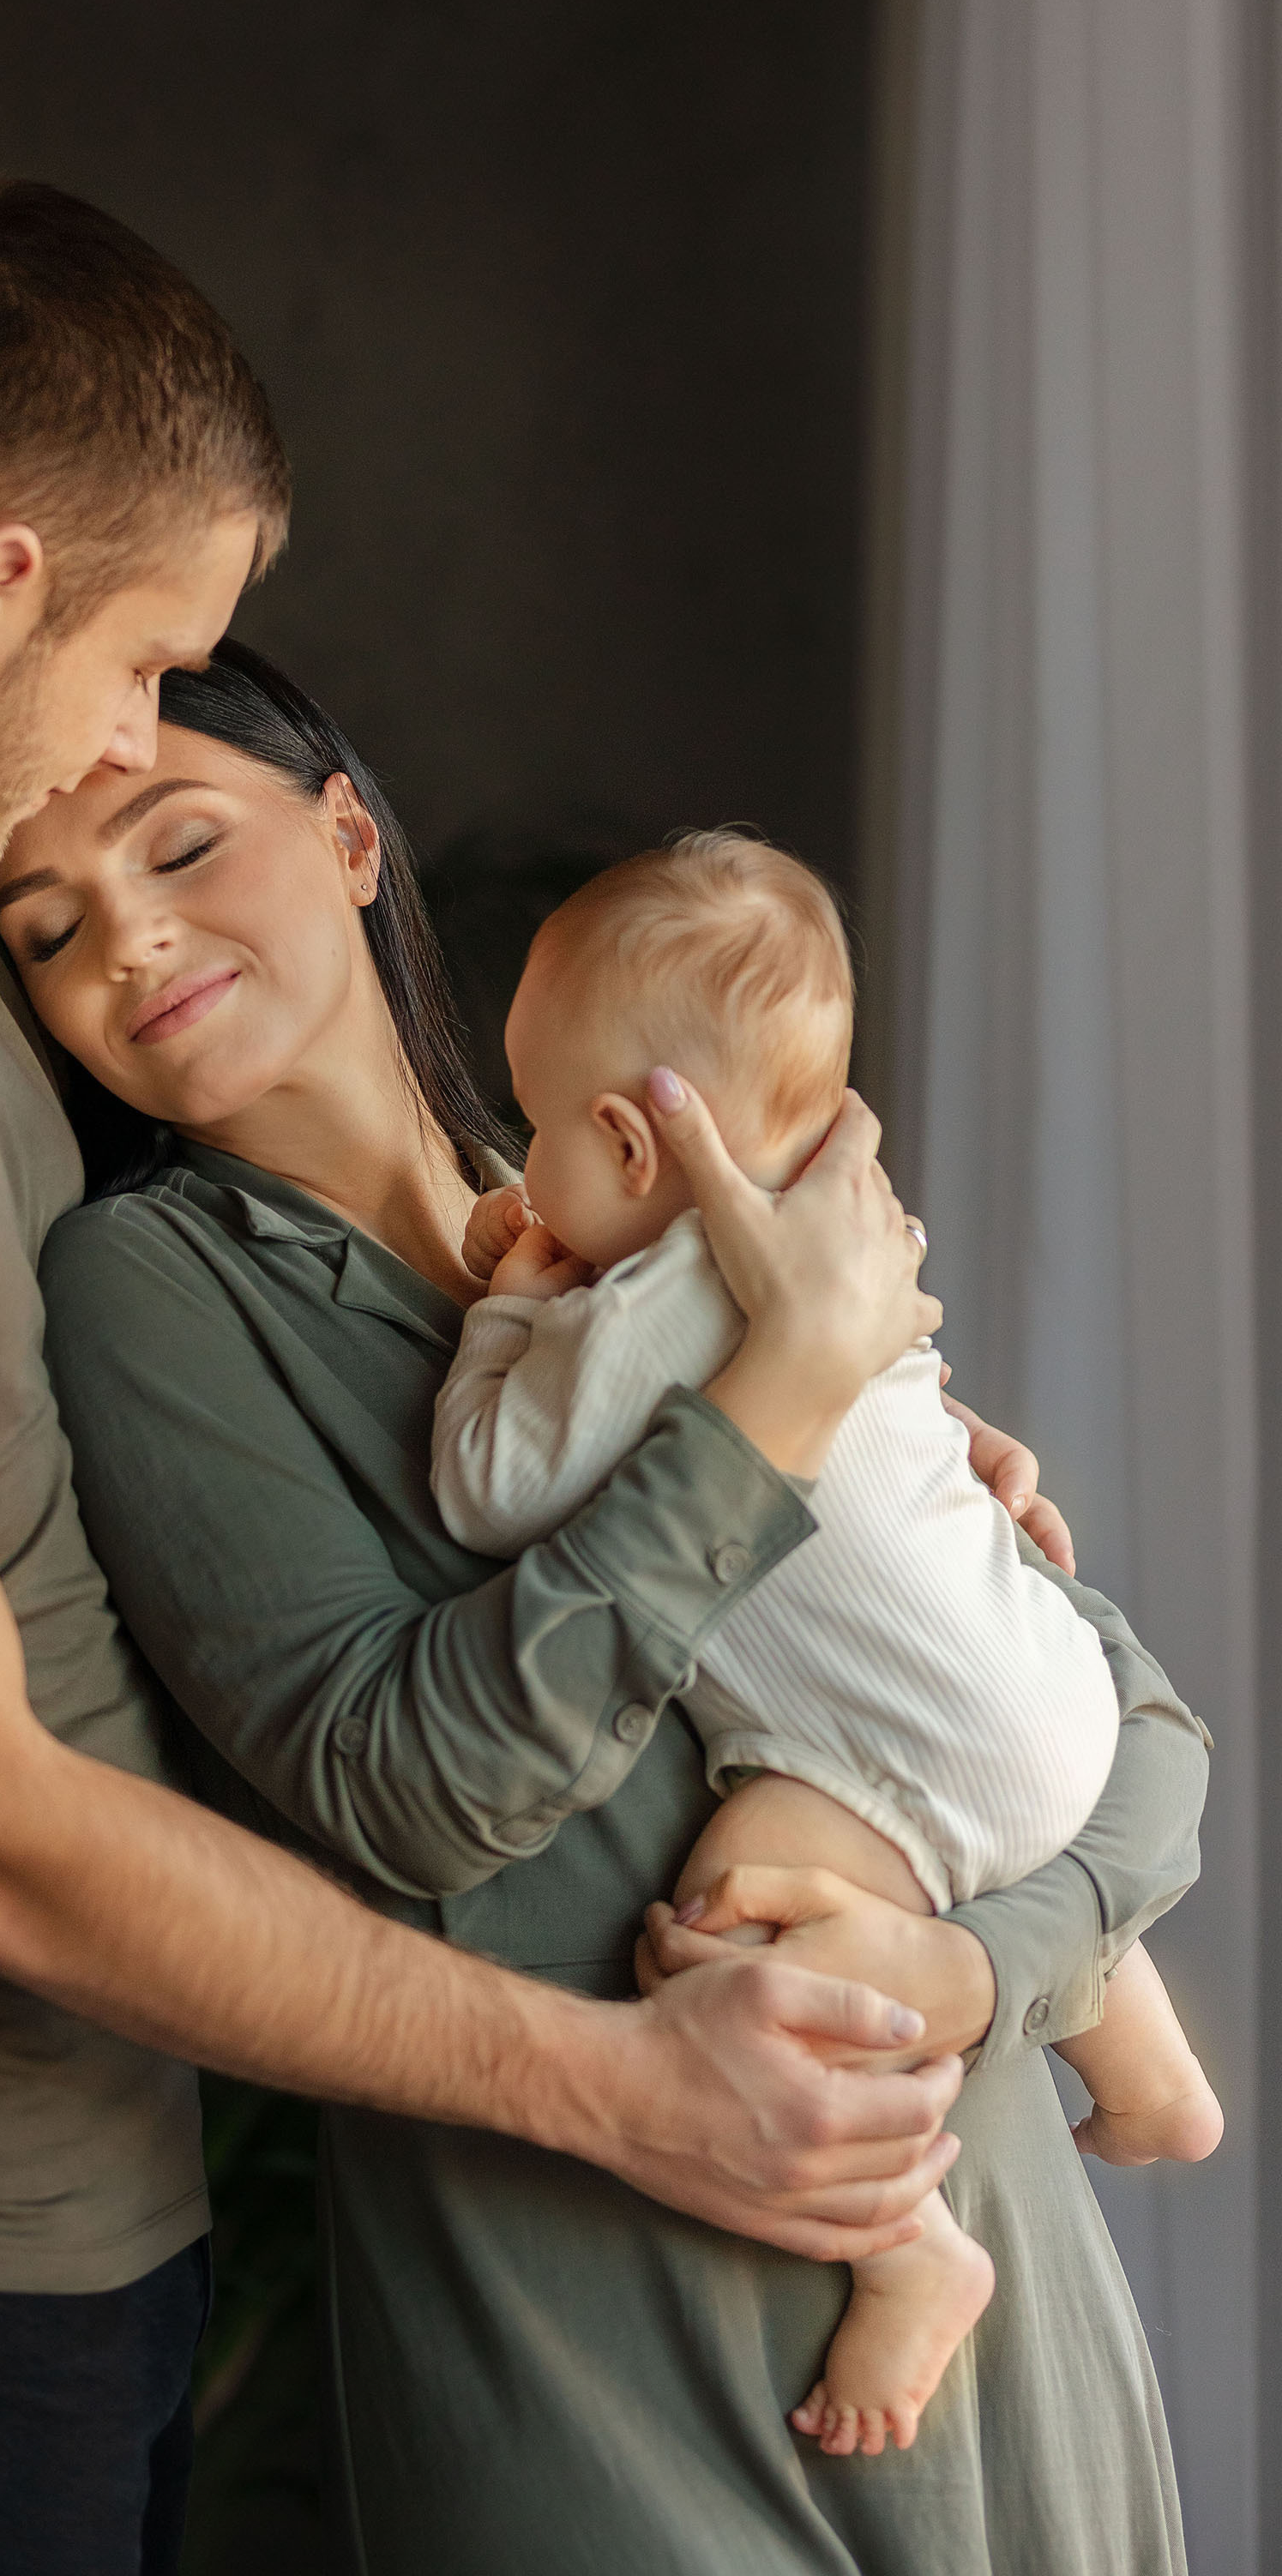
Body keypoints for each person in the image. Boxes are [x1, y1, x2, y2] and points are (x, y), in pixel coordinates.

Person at [0, 183, 964, 2574]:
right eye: (139, 657)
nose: (128, 741)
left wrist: (847, 1441)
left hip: (75, 2227)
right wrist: (612, 2088)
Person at [0, 640, 1208, 2576]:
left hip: (987, 2288)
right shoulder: (153, 1293)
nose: (128, 945)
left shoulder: (650, 1197)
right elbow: (409, 1790)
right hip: (599, 2348)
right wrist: (784, 1397)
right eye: (50, 925)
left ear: (345, 839)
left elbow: (1134, 1736)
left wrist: (988, 1973)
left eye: (183, 845)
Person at [429, 828, 1223, 2458]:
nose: (519, 1165)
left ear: (628, 1149)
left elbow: (488, 1490)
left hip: (885, 1762)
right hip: (1047, 1680)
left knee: (721, 1935)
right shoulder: (837, 1229)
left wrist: (510, 1304)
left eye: (532, 1127)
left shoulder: (636, 1310)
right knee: (1016, 1817)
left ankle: (910, 2248)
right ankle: (1154, 2081)